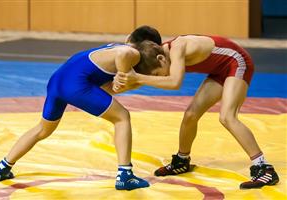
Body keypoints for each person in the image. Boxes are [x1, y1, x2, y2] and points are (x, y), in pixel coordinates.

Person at [114, 28, 280, 189]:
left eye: (158, 74)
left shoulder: (177, 48)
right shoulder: (155, 54)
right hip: (219, 70)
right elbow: (140, 79)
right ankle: (182, 160)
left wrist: (138, 78)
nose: (160, 78)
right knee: (190, 115)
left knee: (227, 117)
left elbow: (174, 82)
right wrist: (118, 86)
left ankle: (264, 168)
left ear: (161, 59)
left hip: (237, 61)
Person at [0, 41, 164, 191]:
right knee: (122, 117)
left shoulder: (111, 52)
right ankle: (125, 174)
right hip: (74, 84)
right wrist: (124, 73)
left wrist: (131, 81)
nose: (156, 78)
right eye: (156, 74)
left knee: (42, 129)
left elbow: (107, 90)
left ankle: (3, 167)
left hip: (57, 81)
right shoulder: (132, 54)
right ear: (158, 59)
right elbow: (126, 53)